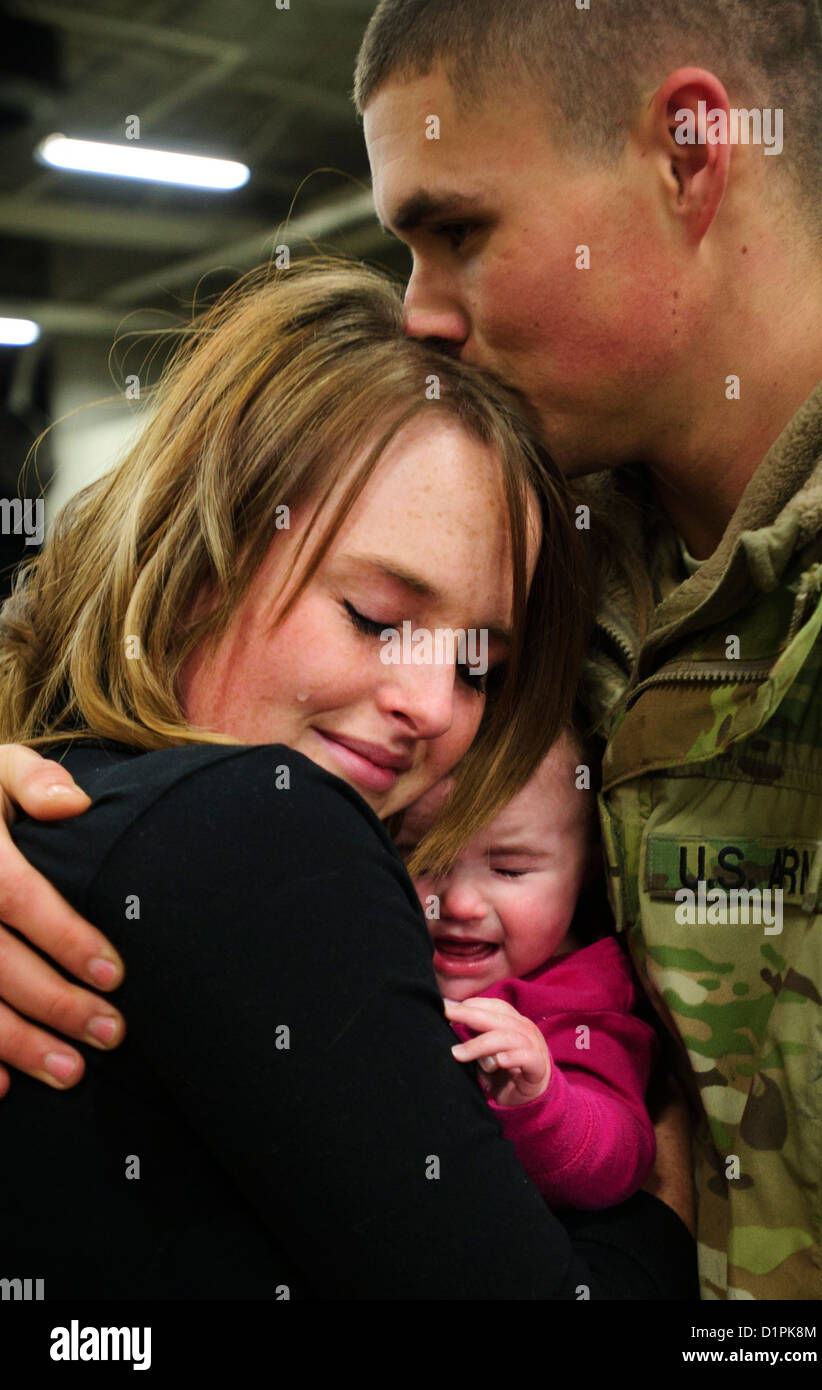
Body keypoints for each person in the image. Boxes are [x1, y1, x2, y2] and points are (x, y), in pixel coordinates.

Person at [3, 0, 822, 1299]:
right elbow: (94, 632)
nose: (419, 312)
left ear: (690, 149)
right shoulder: (523, 520)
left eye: (456, 231)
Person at [0, 257, 698, 1299]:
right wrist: (665, 1217)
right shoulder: (270, 828)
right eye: (374, 616)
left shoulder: (55, 808)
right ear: (197, 560)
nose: (431, 705)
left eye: (479, 668)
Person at [397, 728, 659, 1211]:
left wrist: (543, 1101)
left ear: (591, 867)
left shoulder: (584, 1000)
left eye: (511, 870)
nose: (460, 903)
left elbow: (623, 1155)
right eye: (427, 860)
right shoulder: (381, 938)